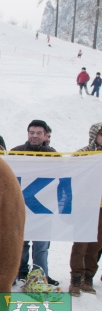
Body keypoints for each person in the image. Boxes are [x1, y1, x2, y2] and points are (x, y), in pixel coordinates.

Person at [11, 120, 58, 287]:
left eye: (38, 133)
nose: (35, 136)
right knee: (21, 243)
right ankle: (20, 272)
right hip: (21, 207)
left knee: (41, 246)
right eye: (32, 132)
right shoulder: (15, 153)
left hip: (43, 209)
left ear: (45, 136)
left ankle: (40, 275)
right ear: (27, 133)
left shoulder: (53, 154)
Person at [68, 123, 102, 296]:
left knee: (96, 245)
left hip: (101, 208)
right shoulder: (82, 154)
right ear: (94, 135)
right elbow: (70, 175)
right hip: (85, 206)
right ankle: (75, 280)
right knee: (80, 244)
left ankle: (87, 278)